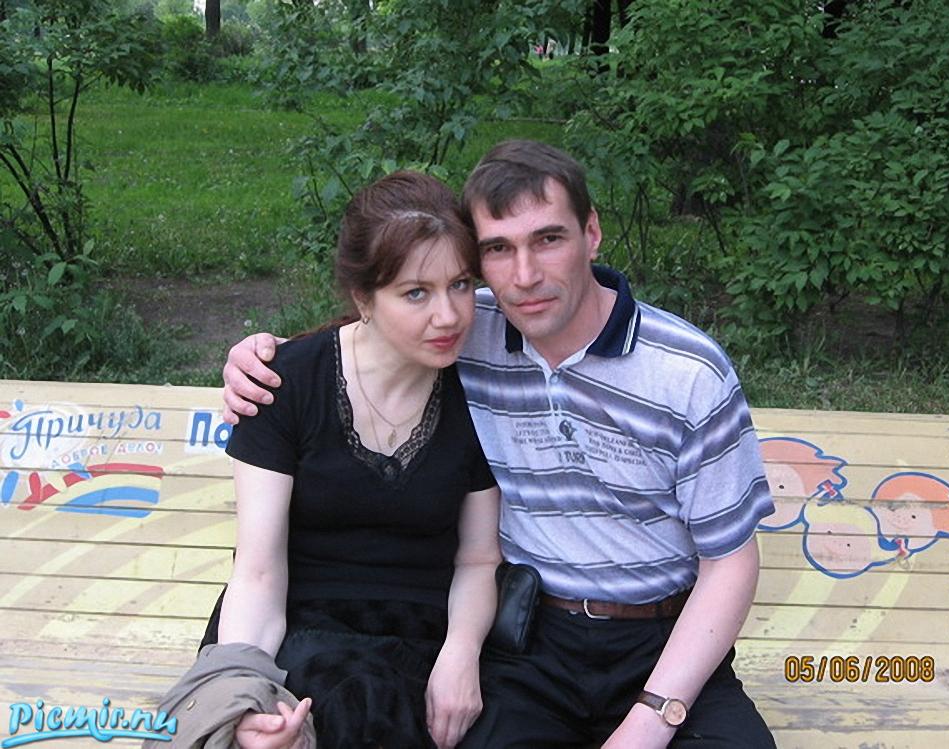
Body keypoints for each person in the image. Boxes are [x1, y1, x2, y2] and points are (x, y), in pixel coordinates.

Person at [222, 141, 777, 748]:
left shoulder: (687, 373)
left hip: (664, 640)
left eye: (548, 239)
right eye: (498, 249)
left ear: (592, 233)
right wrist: (262, 357)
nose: (525, 276)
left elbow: (730, 563)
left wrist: (650, 718)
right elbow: (379, 328)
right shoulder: (469, 330)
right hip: (528, 644)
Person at [206, 171, 502, 749]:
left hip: (430, 635)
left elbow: (477, 559)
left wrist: (461, 654)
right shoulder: (284, 384)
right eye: (416, 293)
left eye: (461, 285)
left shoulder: (481, 389)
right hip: (297, 625)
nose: (448, 316)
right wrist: (246, 693)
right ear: (364, 298)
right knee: (335, 710)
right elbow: (258, 571)